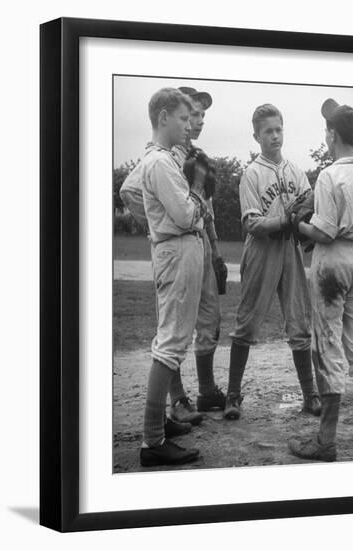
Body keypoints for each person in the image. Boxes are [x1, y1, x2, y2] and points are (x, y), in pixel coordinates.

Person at [120, 86, 226, 429]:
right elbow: (131, 191)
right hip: (177, 242)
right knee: (174, 332)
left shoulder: (193, 153)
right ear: (171, 116)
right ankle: (177, 400)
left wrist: (214, 249)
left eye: (199, 116)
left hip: (198, 242)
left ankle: (206, 391)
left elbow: (203, 209)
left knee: (207, 320)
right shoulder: (165, 156)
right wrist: (159, 223)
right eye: (190, 114)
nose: (196, 121)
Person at [224, 104, 321, 420]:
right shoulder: (251, 173)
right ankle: (233, 396)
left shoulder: (295, 170)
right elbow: (252, 223)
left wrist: (301, 219)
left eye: (279, 129)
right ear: (256, 136)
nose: (275, 135)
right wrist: (287, 219)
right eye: (268, 131)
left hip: (289, 250)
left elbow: (308, 206)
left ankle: (310, 396)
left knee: (299, 321)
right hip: (261, 251)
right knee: (247, 322)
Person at [288, 98, 353, 462]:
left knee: (329, 345)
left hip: (333, 260)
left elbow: (322, 231)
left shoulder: (329, 174)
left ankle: (326, 440)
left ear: (333, 135)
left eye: (327, 129)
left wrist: (298, 224)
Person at [137, 87, 209, 466]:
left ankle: (159, 425)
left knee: (172, 337)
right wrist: (197, 189)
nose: (187, 125)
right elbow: (184, 215)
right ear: (163, 117)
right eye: (182, 118)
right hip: (177, 246)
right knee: (171, 342)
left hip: (179, 247)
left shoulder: (161, 159)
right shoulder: (162, 163)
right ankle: (153, 441)